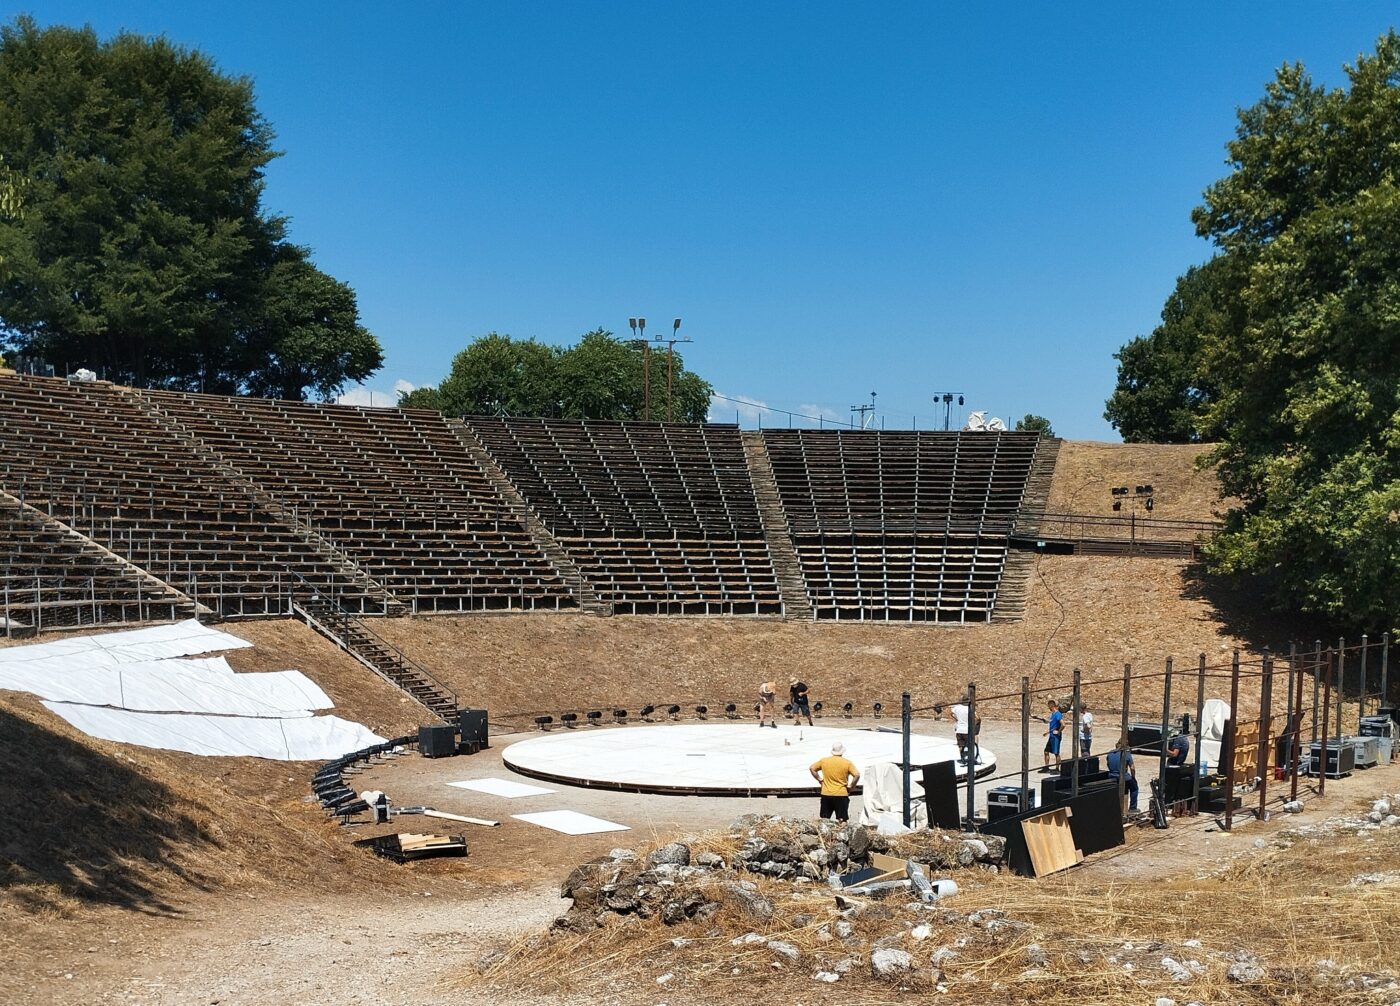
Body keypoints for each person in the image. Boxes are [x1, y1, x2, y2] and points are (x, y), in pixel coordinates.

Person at [810, 741, 860, 822]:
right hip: (841, 793)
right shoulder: (847, 763)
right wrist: (851, 786)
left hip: (826, 793)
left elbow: (812, 768)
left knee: (824, 819)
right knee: (842, 819)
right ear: (842, 751)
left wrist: (819, 779)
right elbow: (857, 775)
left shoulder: (824, 761)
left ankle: (825, 834)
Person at [1106, 746, 1139, 812]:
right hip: (1123, 777)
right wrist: (1133, 777)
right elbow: (1132, 768)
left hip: (1111, 776)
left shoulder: (1110, 753)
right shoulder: (1126, 754)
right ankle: (1133, 808)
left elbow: (1108, 764)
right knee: (1134, 788)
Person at [949, 694, 972, 765]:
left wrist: (957, 719)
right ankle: (969, 759)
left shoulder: (957, 707)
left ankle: (961, 758)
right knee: (970, 746)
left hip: (959, 729)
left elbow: (951, 713)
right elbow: (977, 718)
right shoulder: (969, 709)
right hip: (967, 730)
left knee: (961, 746)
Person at [1042, 699, 1063, 771]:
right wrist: (1047, 732)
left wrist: (1058, 731)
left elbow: (1063, 724)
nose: (1048, 707)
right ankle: (1046, 767)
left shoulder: (1058, 714)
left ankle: (1057, 769)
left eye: (1049, 705)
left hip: (1055, 737)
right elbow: (1053, 724)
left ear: (1051, 705)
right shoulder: (1053, 714)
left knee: (1056, 753)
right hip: (1051, 736)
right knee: (1046, 751)